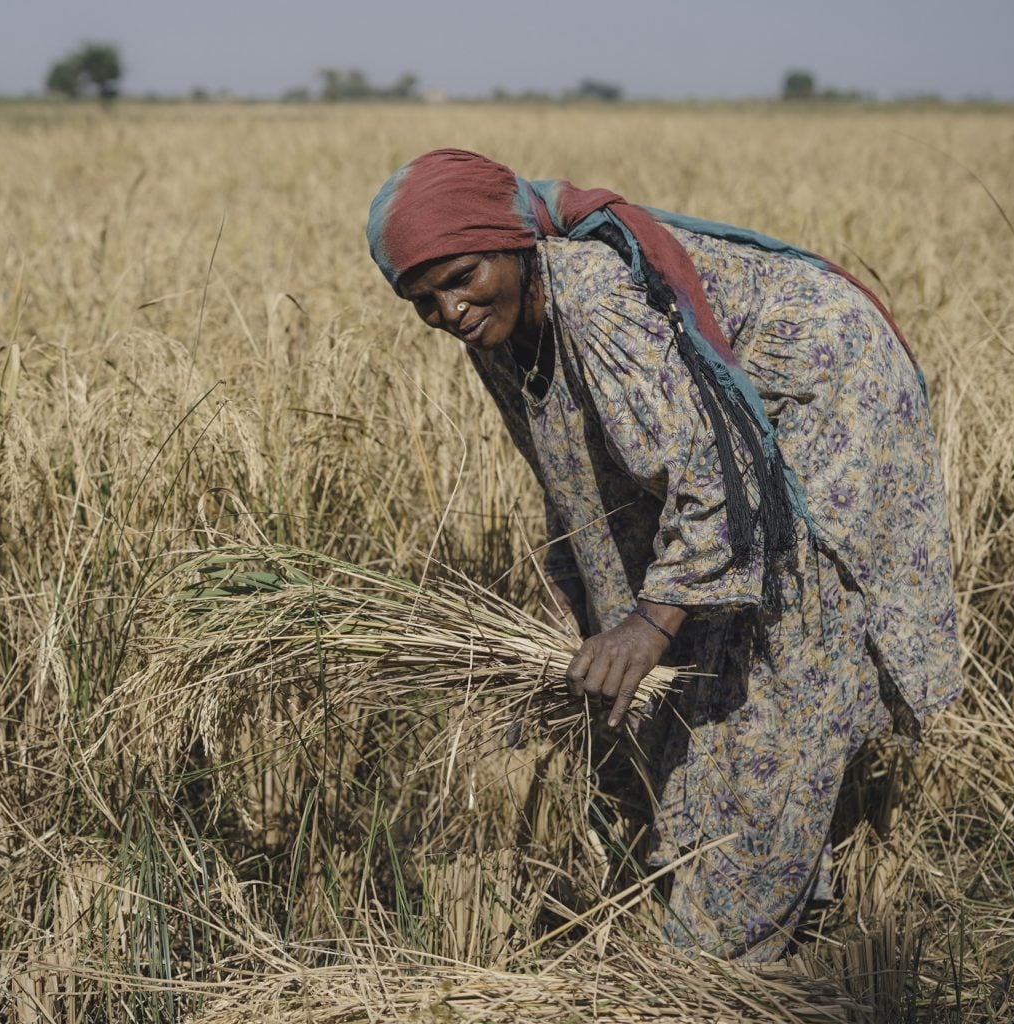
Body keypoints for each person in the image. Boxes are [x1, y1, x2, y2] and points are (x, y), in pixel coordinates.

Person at [365, 149, 961, 960]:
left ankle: (723, 949)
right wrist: (598, 605)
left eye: (461, 277)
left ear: (512, 246)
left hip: (821, 396)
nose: (450, 310)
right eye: (423, 300)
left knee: (786, 662)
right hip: (727, 436)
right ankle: (752, 874)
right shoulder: (497, 325)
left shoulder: (597, 297)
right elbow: (579, 473)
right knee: (701, 655)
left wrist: (649, 623)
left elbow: (715, 473)